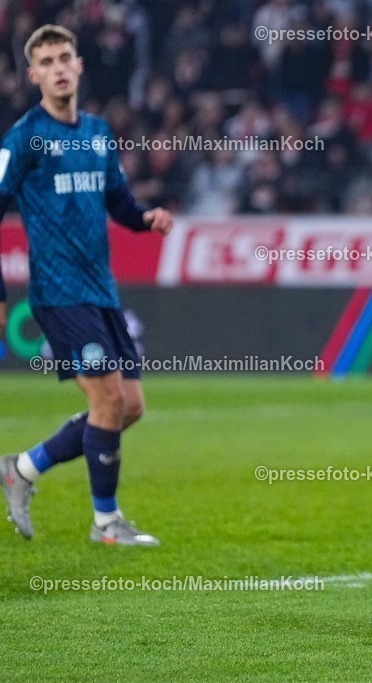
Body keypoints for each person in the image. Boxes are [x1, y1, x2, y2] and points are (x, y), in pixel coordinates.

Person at [0, 25, 174, 545]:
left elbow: (118, 202)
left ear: (78, 66)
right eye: (46, 61)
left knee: (130, 406)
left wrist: (146, 218)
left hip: (102, 289)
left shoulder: (98, 132)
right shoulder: (23, 139)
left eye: (64, 58)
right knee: (106, 401)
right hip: (57, 292)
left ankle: (22, 469)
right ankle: (106, 523)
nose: (57, 68)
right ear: (33, 75)